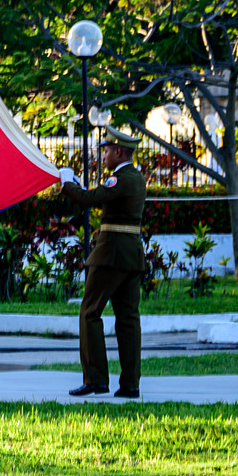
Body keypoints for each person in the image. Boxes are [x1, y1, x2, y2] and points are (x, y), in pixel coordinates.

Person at [59, 127, 147, 399]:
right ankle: (130, 384)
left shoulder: (120, 179)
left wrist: (67, 183)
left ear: (119, 151)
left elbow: (88, 199)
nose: (104, 156)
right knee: (128, 319)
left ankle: (96, 379)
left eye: (107, 151)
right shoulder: (136, 178)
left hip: (110, 254)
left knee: (90, 312)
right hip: (131, 255)